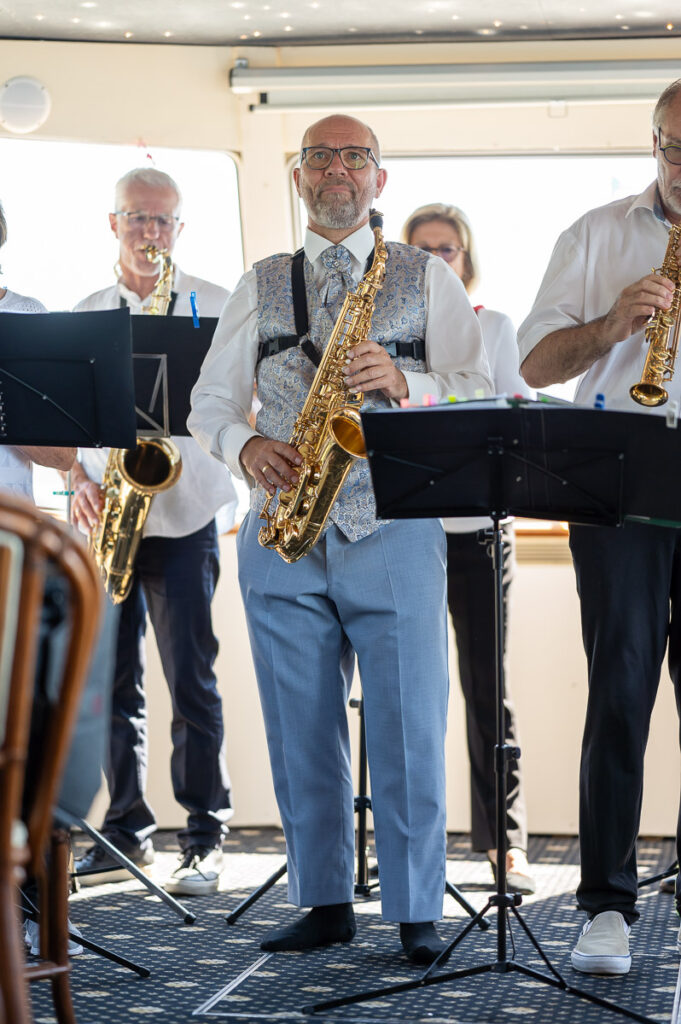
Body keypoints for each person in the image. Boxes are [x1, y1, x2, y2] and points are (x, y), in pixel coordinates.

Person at [189, 114, 492, 963]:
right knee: (300, 724)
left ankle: (414, 908)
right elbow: (208, 403)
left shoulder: (425, 273)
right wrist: (243, 446)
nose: (335, 170)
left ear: (378, 181)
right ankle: (322, 899)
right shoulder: (260, 281)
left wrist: (407, 380)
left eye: (353, 157)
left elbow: (476, 387)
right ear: (298, 179)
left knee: (406, 723)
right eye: (318, 156)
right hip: (282, 529)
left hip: (391, 523)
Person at [518, 78, 681, 976]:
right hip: (619, 477)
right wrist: (612, 321)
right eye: (673, 147)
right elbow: (533, 363)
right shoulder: (593, 232)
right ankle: (605, 906)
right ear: (650, 141)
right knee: (618, 696)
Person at [70, 168, 236, 896]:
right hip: (113, 511)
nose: (150, 232)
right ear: (113, 224)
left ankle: (205, 834)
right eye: (137, 218)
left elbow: (236, 408)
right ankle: (123, 831)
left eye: (163, 222)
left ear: (179, 230)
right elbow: (68, 420)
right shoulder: (84, 311)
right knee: (112, 684)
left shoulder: (218, 305)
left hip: (187, 512)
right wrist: (79, 478)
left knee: (192, 680)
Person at [402, 203, 536, 896]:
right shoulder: (385, 334)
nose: (436, 260)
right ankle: (410, 853)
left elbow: (515, 413)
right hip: (403, 533)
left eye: (446, 249)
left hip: (479, 532)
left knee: (488, 691)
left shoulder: (495, 328)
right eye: (422, 251)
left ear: (465, 258)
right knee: (406, 697)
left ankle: (503, 847)